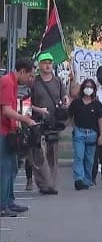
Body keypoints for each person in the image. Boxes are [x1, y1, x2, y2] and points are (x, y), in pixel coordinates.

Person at [29, 52, 69, 195]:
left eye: (50, 63)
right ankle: (42, 183)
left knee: (53, 154)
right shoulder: (34, 82)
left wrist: (65, 100)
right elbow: (27, 103)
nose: (48, 65)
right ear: (39, 65)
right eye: (45, 62)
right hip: (38, 123)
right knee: (39, 155)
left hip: (54, 123)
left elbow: (64, 96)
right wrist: (38, 110)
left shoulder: (57, 81)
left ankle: (51, 183)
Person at [0, 58, 36, 217]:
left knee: (13, 167)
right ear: (22, 71)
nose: (30, 79)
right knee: (5, 169)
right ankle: (3, 205)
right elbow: (6, 111)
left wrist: (17, 124)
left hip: (9, 131)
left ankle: (9, 201)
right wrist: (26, 119)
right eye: (29, 75)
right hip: (2, 132)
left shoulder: (14, 83)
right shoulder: (7, 82)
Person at [68, 78, 102, 190]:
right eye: (86, 87)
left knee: (89, 159)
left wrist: (101, 135)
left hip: (92, 134)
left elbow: (100, 121)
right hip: (79, 132)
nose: (88, 89)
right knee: (79, 156)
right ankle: (79, 179)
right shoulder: (76, 103)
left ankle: (87, 180)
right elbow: (70, 117)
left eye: (90, 87)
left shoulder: (97, 105)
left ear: (94, 90)